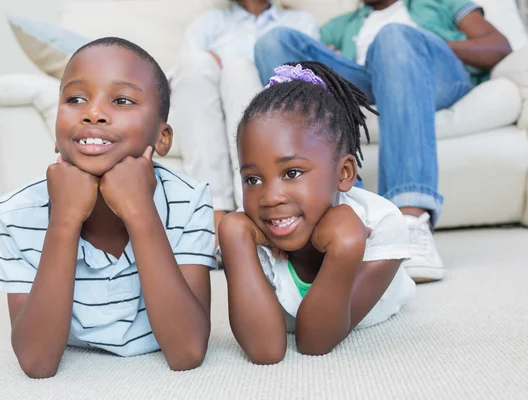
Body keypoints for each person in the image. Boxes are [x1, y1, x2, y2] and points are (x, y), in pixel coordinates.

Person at [0, 37, 216, 378]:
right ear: (56, 132)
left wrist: (140, 211)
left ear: (162, 138)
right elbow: (36, 362)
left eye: (122, 100)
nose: (93, 113)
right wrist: (65, 221)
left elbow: (186, 350)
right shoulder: (17, 213)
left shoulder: (189, 200)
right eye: (75, 99)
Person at [254, 0, 512, 282]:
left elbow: (498, 46)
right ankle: (348, 210)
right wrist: (333, 58)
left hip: (435, 76)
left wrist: (425, 47)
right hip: (370, 83)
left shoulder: (440, 4)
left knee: (394, 37)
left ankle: (411, 219)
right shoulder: (342, 26)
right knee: (274, 41)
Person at [218, 61, 416, 364]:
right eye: (253, 179)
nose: (270, 198)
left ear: (345, 172)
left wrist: (347, 247)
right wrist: (233, 236)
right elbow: (265, 350)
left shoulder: (383, 223)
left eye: (292, 172)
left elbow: (315, 342)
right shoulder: (249, 227)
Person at [170, 0, 319, 245]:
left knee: (239, 70)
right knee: (196, 65)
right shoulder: (209, 22)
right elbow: (180, 80)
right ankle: (214, 209)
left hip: (268, 105)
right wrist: (209, 63)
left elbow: (311, 78)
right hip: (209, 104)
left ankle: (249, 211)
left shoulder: (300, 23)